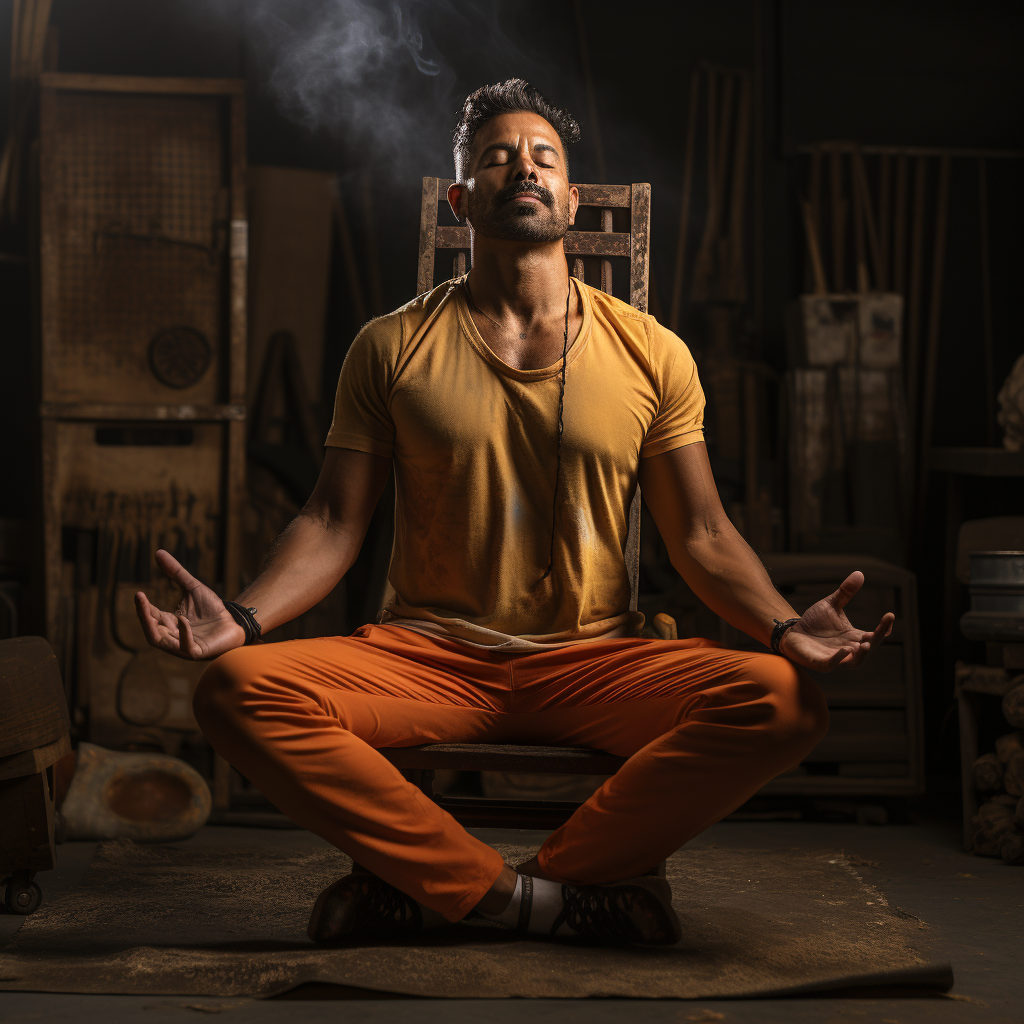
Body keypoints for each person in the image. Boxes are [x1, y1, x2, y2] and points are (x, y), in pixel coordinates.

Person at [135, 79, 893, 946]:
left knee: (786, 702)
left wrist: (786, 627)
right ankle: (522, 895)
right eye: (496, 157)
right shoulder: (390, 345)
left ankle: (513, 879)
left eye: (543, 157)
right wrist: (242, 615)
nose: (521, 167)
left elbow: (704, 535)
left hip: (596, 659)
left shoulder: (653, 352)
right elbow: (333, 521)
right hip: (427, 656)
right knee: (236, 690)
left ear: (571, 198)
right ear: (462, 199)